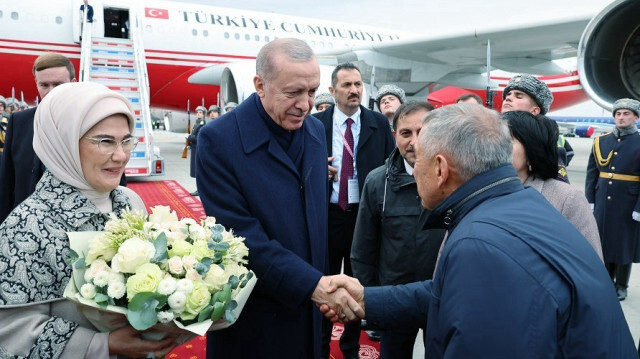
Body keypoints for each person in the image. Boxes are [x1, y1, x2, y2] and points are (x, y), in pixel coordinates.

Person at [323, 103, 637, 357]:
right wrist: (368, 299)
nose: (413, 168)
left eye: (420, 158)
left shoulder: (482, 244)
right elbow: (451, 293)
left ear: (441, 169)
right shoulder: (521, 205)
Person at [195, 38, 360, 359]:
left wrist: (320, 287)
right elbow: (241, 238)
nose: (305, 104)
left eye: (312, 92)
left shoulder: (313, 133)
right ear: (260, 84)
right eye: (293, 92)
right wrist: (313, 285)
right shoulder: (218, 140)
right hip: (253, 317)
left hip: (309, 310)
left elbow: (316, 225)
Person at [0, 82, 178, 358]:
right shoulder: (26, 225)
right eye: (105, 141)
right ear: (64, 143)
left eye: (127, 140)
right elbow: (11, 330)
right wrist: (102, 345)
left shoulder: (130, 202)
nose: (120, 156)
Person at [350, 101, 445, 358]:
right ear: (395, 136)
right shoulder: (377, 182)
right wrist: (370, 301)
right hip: (395, 300)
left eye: (422, 131)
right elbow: (363, 250)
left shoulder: (453, 178)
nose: (414, 141)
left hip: (441, 297)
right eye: (406, 133)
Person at [315, 63, 395, 359]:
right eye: (347, 85)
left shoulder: (377, 123)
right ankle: (320, 344)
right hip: (328, 215)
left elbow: (391, 167)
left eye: (358, 84)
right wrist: (316, 171)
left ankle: (349, 345)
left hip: (364, 216)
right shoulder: (316, 124)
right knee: (322, 281)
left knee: (355, 283)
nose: (354, 90)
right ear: (333, 91)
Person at [503, 111, 602, 259]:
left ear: (531, 150)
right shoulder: (478, 192)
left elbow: (591, 264)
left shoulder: (567, 199)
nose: (496, 147)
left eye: (507, 141)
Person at [0, 53, 76, 224]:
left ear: (73, 83)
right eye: (44, 85)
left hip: (72, 226)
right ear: (36, 83)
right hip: (25, 225)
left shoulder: (92, 121)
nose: (51, 91)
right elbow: (7, 180)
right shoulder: (18, 122)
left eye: (58, 84)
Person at [586, 98, 640, 301]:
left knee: (624, 244)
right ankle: (606, 281)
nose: (621, 117)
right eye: (618, 113)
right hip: (603, 201)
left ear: (635, 117)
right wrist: (589, 199)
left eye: (626, 114)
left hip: (628, 202)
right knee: (603, 242)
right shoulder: (602, 141)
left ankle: (621, 285)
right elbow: (592, 173)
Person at [501, 73, 571, 183]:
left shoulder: (544, 144)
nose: (508, 98)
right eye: (507, 95)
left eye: (518, 96)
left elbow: (555, 193)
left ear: (535, 111)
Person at [187, 105, 207, 196]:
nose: (198, 114)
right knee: (195, 170)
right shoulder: (197, 122)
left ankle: (200, 190)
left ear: (203, 114)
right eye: (197, 112)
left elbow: (198, 137)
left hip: (198, 149)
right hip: (194, 148)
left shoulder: (202, 124)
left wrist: (189, 137)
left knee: (198, 170)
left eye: (200, 112)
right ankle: (198, 189)